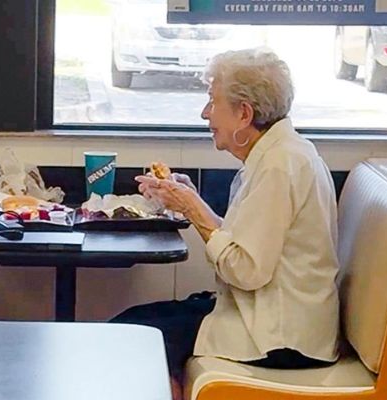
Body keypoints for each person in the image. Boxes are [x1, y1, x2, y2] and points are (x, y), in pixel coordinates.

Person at [113, 49, 340, 400]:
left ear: (244, 112)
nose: (205, 114)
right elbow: (246, 244)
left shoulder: (280, 164)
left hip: (281, 337)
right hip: (269, 317)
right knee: (133, 325)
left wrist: (189, 206)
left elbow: (246, 270)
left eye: (212, 101)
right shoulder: (281, 154)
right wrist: (192, 202)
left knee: (131, 336)